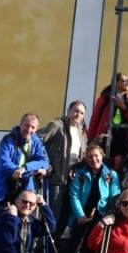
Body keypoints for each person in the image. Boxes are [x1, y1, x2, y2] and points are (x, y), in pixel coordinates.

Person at [66, 143, 121, 253]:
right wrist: (79, 215)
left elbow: (115, 197)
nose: (93, 159)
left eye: (96, 155)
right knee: (78, 239)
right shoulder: (80, 174)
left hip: (102, 214)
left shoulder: (111, 175)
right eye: (89, 156)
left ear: (102, 156)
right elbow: (74, 196)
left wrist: (106, 216)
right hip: (83, 214)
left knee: (95, 240)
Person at [38, 100, 87, 236]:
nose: (78, 114)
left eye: (82, 113)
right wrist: (44, 162)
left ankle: (55, 249)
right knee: (52, 217)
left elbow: (78, 155)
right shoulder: (56, 125)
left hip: (72, 181)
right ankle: (43, 252)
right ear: (69, 111)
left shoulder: (79, 131)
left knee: (64, 218)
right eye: (76, 111)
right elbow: (37, 141)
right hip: (56, 180)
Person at [0, 112, 50, 210]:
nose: (29, 130)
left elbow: (44, 161)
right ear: (20, 124)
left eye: (33, 127)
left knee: (19, 223)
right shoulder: (8, 140)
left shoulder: (37, 141)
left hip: (24, 190)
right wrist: (30, 171)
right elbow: (4, 164)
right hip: (0, 190)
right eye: (26, 125)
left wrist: (25, 168)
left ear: (36, 129)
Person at [87, 73, 128, 158]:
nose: (127, 82)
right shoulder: (104, 98)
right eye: (124, 80)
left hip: (123, 137)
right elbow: (95, 119)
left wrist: (124, 107)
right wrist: (91, 139)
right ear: (115, 82)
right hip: (105, 135)